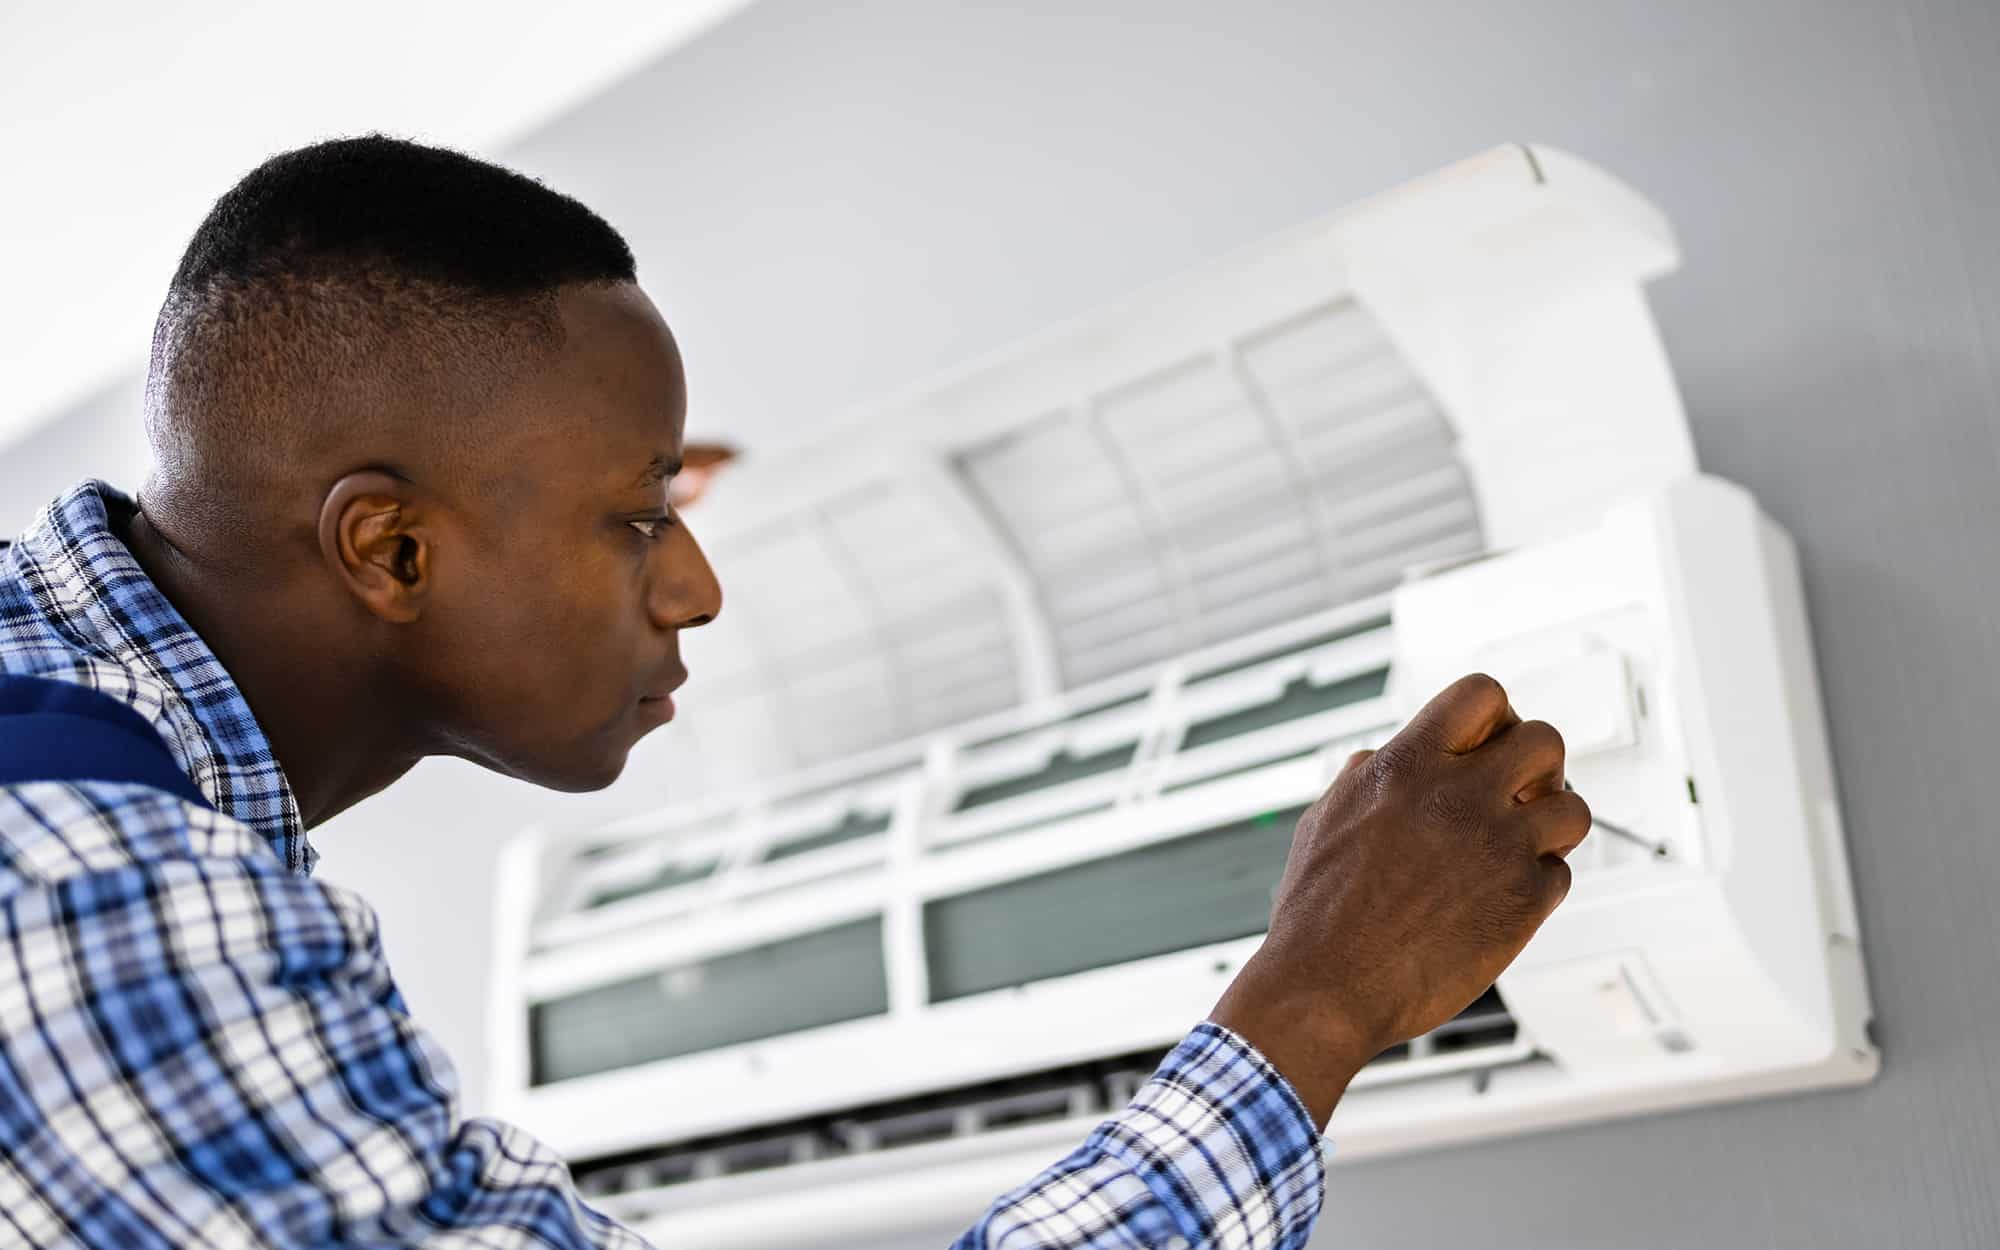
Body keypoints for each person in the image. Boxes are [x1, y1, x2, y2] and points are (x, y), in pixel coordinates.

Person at [0, 137, 1589, 1249]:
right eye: (639, 516)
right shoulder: (102, 895)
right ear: (393, 546)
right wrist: (1315, 998)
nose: (694, 585)